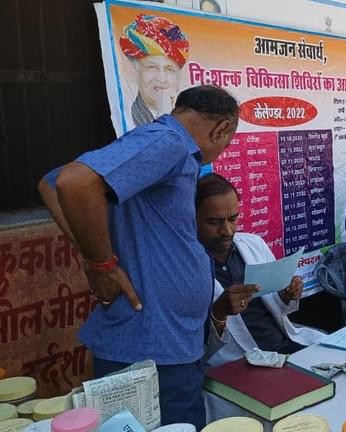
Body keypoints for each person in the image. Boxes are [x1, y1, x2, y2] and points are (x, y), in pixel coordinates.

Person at [36, 85, 238, 428]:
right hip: (152, 345)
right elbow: (70, 183)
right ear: (222, 129)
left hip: (166, 342)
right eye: (227, 141)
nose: (221, 151)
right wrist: (100, 264)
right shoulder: (170, 142)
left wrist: (95, 256)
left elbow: (51, 185)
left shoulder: (162, 143)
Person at [197, 173, 324, 367]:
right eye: (214, 222)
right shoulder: (184, 268)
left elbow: (278, 308)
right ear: (192, 218)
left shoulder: (252, 244)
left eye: (233, 219)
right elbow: (195, 352)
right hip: (237, 364)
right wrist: (219, 313)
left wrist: (286, 295)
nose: (227, 230)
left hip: (284, 347)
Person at [119, 14, 190, 127]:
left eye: (170, 69)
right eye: (152, 67)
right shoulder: (132, 116)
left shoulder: (187, 119)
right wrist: (164, 116)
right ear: (134, 70)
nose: (161, 78)